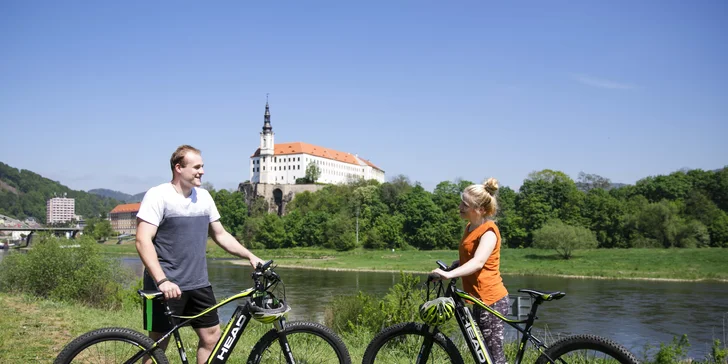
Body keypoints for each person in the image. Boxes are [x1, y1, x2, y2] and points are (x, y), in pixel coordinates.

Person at [135, 145, 263, 364]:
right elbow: (142, 240)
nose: (202, 171)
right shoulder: (158, 196)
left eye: (202, 166)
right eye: (196, 167)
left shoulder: (204, 197)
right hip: (165, 285)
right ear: (178, 168)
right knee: (157, 345)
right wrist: (162, 280)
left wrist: (250, 256)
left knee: (212, 336)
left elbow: (220, 235)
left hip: (199, 284)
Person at [430, 177, 509, 364]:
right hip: (478, 299)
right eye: (461, 201)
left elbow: (478, 262)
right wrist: (451, 268)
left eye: (465, 204)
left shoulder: (489, 232)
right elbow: (468, 259)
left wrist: (449, 275)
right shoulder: (470, 227)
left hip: (491, 300)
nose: (460, 206)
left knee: (493, 357)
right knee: (483, 355)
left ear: (480, 209)